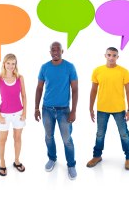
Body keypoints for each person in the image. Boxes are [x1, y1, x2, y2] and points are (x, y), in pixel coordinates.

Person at [35, 42, 78, 180]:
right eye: (52, 49)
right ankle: (52, 158)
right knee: (49, 136)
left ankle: (71, 165)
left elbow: (75, 89)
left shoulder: (69, 67)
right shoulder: (44, 67)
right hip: (47, 109)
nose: (55, 52)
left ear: (62, 51)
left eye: (57, 49)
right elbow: (39, 88)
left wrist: (74, 111)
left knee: (67, 139)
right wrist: (36, 108)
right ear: (50, 51)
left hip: (64, 110)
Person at [87, 47, 129, 170]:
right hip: (102, 108)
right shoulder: (98, 71)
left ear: (117, 57)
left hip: (119, 109)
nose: (111, 57)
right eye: (109, 55)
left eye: (114, 55)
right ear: (105, 56)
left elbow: (128, 91)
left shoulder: (123, 71)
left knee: (124, 134)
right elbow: (93, 90)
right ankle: (97, 156)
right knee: (100, 134)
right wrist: (90, 108)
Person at [0, 54, 27, 176]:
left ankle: (17, 161)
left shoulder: (20, 78)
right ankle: (2, 163)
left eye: (13, 63)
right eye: (8, 63)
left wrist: (24, 113)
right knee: (2, 139)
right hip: (4, 115)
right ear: (4, 64)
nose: (11, 66)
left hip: (18, 113)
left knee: (17, 138)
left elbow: (24, 95)